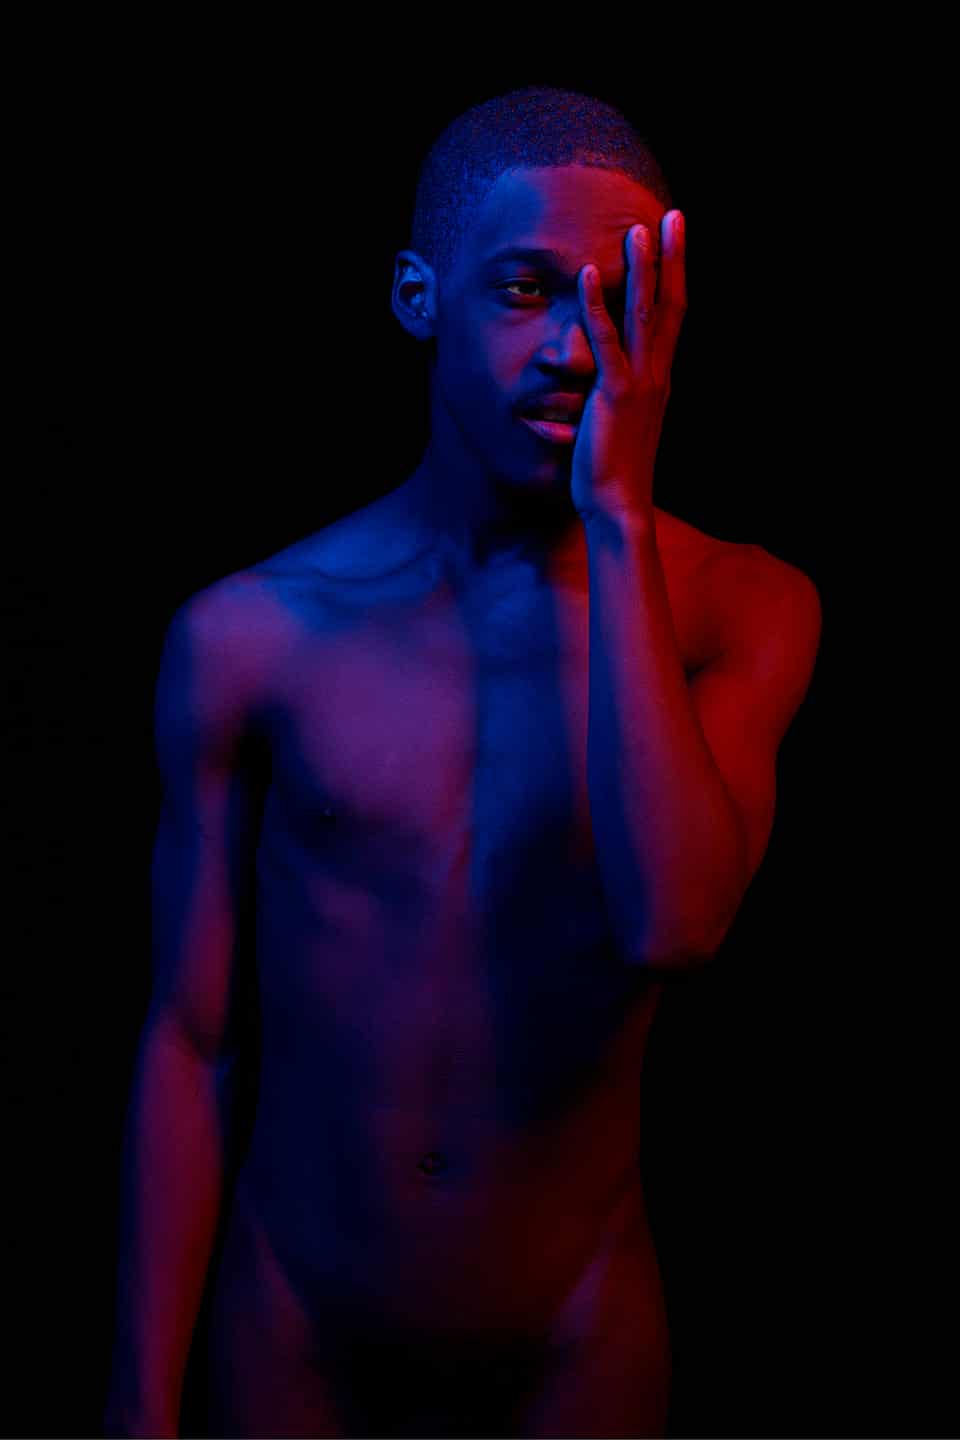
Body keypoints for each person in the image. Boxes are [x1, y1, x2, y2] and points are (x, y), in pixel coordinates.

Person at [103, 85, 822, 1439]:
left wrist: (617, 521)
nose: (574, 347)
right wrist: (137, 1404)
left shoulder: (740, 609)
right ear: (419, 296)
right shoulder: (252, 636)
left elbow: (675, 922)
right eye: (527, 291)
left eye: (616, 303)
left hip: (576, 1337)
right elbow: (191, 1042)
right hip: (292, 1328)